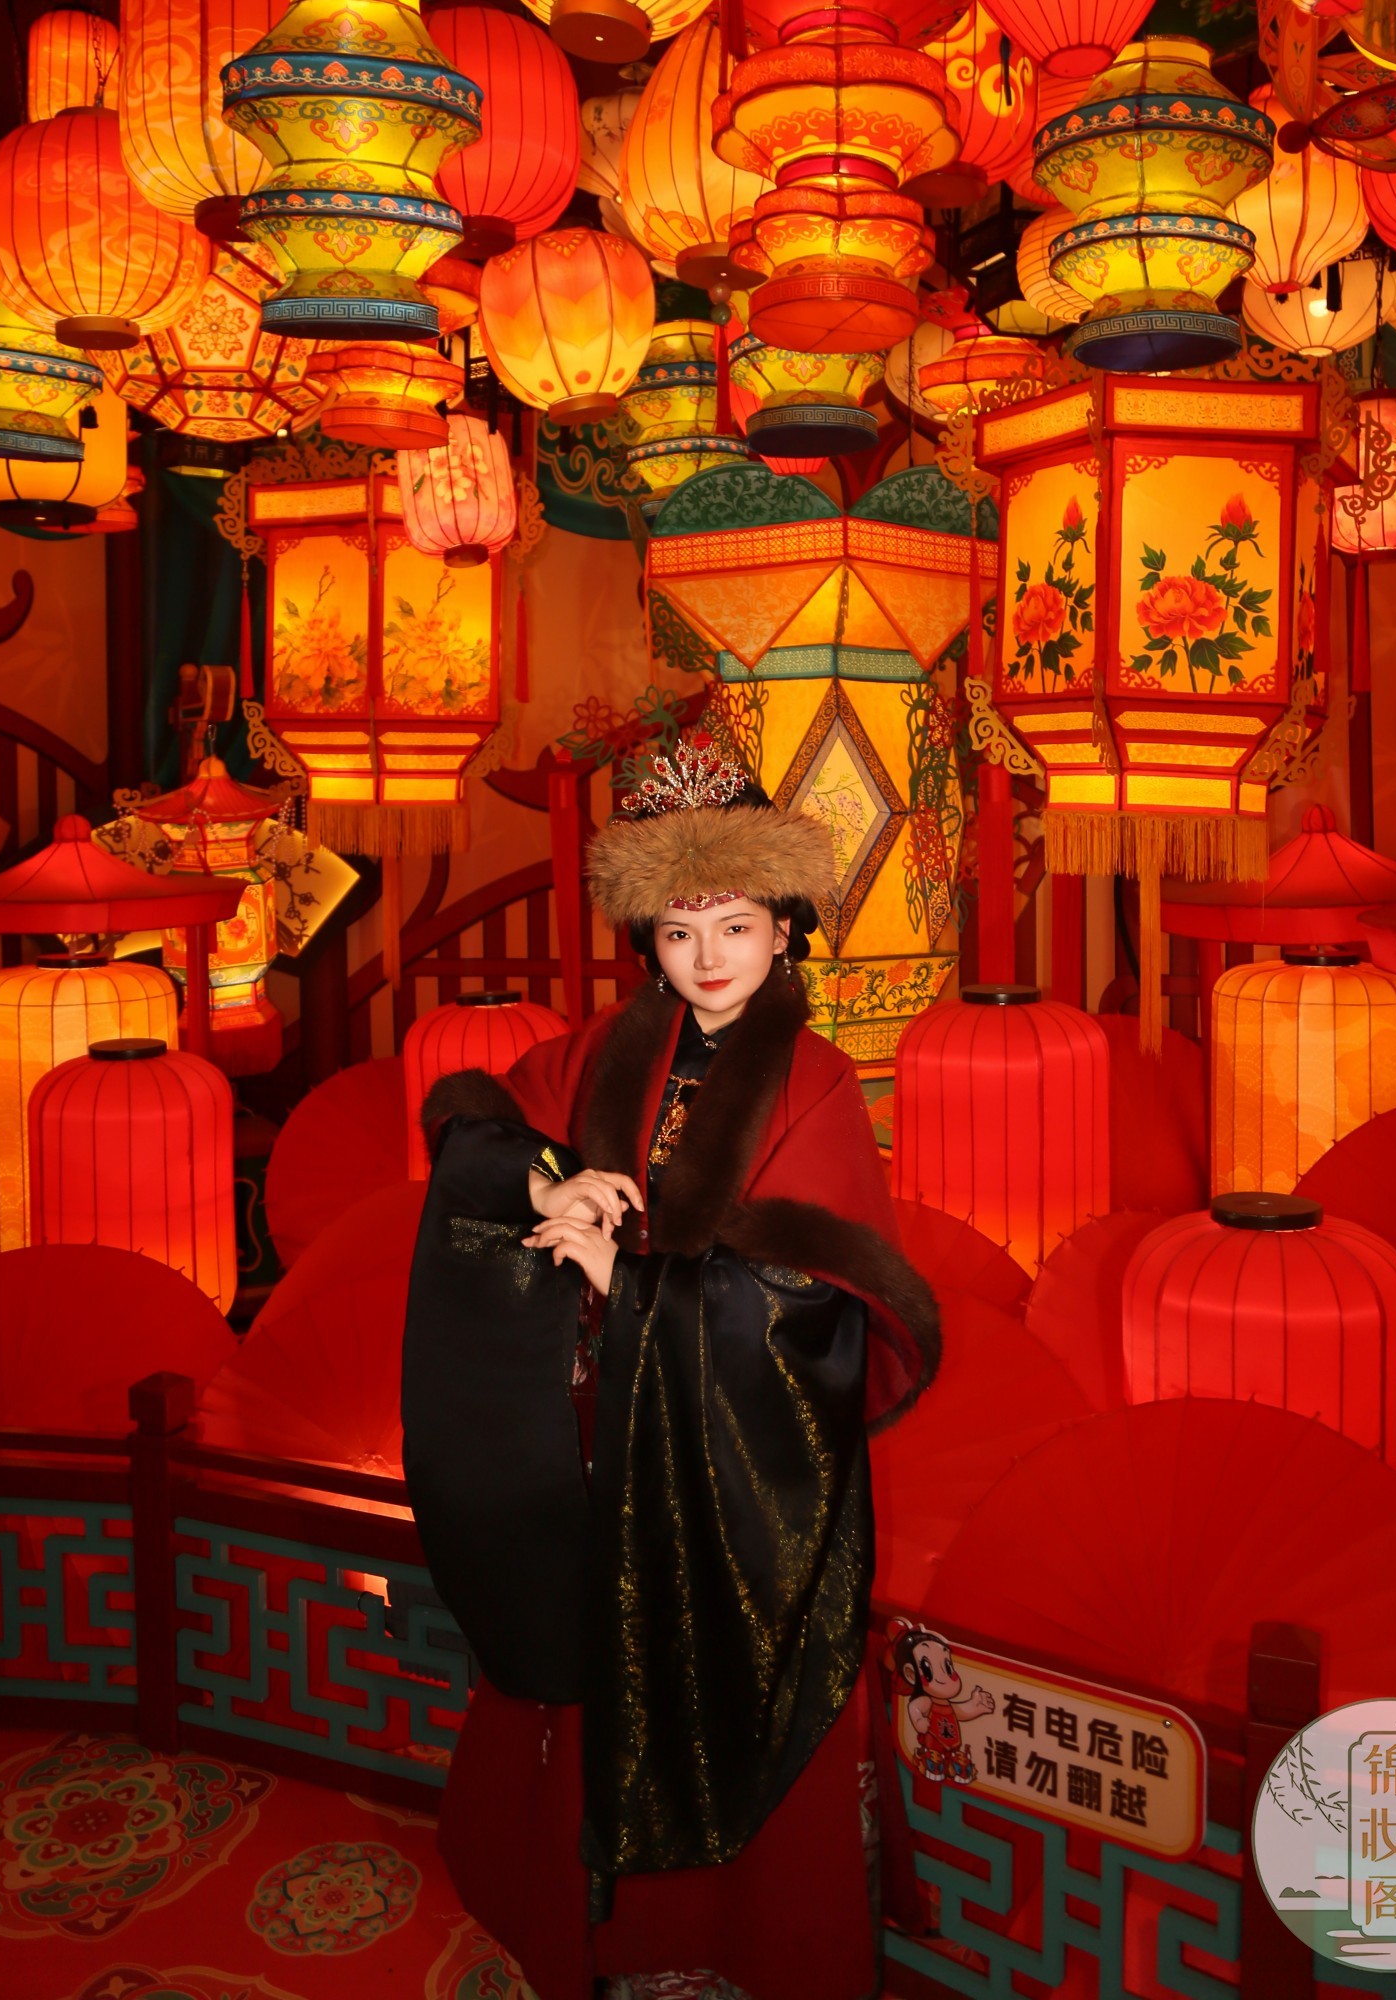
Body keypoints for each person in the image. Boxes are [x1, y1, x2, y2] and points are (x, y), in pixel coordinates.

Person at [401, 736, 940, 2000]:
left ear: (785, 930)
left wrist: (630, 1285)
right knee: (589, 1657)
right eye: (680, 930)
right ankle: (586, 1922)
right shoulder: (607, 1046)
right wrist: (546, 1183)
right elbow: (472, 1118)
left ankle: (745, 1939)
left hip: (741, 1460)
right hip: (604, 1431)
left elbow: (821, 1310)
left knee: (732, 1681)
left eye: (736, 927)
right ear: (646, 937)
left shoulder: (814, 1080)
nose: (708, 958)